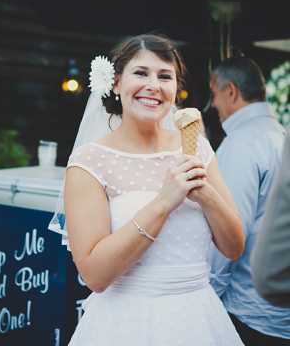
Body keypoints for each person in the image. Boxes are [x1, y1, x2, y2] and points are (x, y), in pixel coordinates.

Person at [50, 34, 244, 345]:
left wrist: (204, 193)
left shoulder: (199, 151)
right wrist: (164, 202)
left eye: (164, 76)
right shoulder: (89, 162)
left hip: (199, 320)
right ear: (115, 83)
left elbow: (235, 247)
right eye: (141, 73)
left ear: (174, 89)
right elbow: (95, 276)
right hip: (125, 323)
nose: (154, 85)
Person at [208, 56, 289, 344]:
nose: (212, 105)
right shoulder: (280, 134)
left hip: (250, 313)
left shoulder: (242, 143)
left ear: (231, 91)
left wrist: (208, 299)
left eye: (214, 94)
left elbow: (228, 232)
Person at [251, 131, 290, 308]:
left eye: (214, 100)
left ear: (233, 99)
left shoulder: (240, 143)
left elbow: (270, 276)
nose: (212, 106)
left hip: (254, 307)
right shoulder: (277, 131)